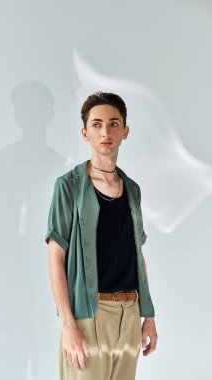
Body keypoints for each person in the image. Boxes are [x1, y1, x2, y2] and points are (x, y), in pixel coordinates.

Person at [45, 91, 158, 380]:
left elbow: (136, 253)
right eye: (96, 124)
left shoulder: (132, 190)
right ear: (85, 133)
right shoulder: (68, 186)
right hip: (89, 314)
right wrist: (68, 325)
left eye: (113, 123)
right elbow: (56, 258)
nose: (105, 131)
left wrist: (149, 315)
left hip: (129, 313)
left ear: (125, 132)